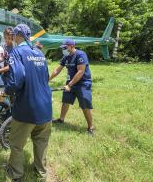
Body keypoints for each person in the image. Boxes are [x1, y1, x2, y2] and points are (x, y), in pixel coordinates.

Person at [5, 24, 52, 181]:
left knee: (16, 144)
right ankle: (41, 173)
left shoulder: (17, 52)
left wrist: (6, 91)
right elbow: (46, 78)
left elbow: (16, 80)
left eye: (13, 35)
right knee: (41, 142)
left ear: (18, 35)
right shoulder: (39, 53)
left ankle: (16, 174)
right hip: (45, 108)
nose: (12, 38)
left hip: (26, 109)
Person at [50, 39, 94, 134]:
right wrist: (47, 80)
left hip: (82, 82)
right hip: (70, 82)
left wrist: (69, 85)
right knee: (65, 101)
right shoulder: (66, 56)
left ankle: (90, 127)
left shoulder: (80, 55)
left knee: (85, 105)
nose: (63, 50)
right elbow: (57, 70)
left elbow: (81, 71)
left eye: (65, 48)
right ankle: (61, 119)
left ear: (71, 46)